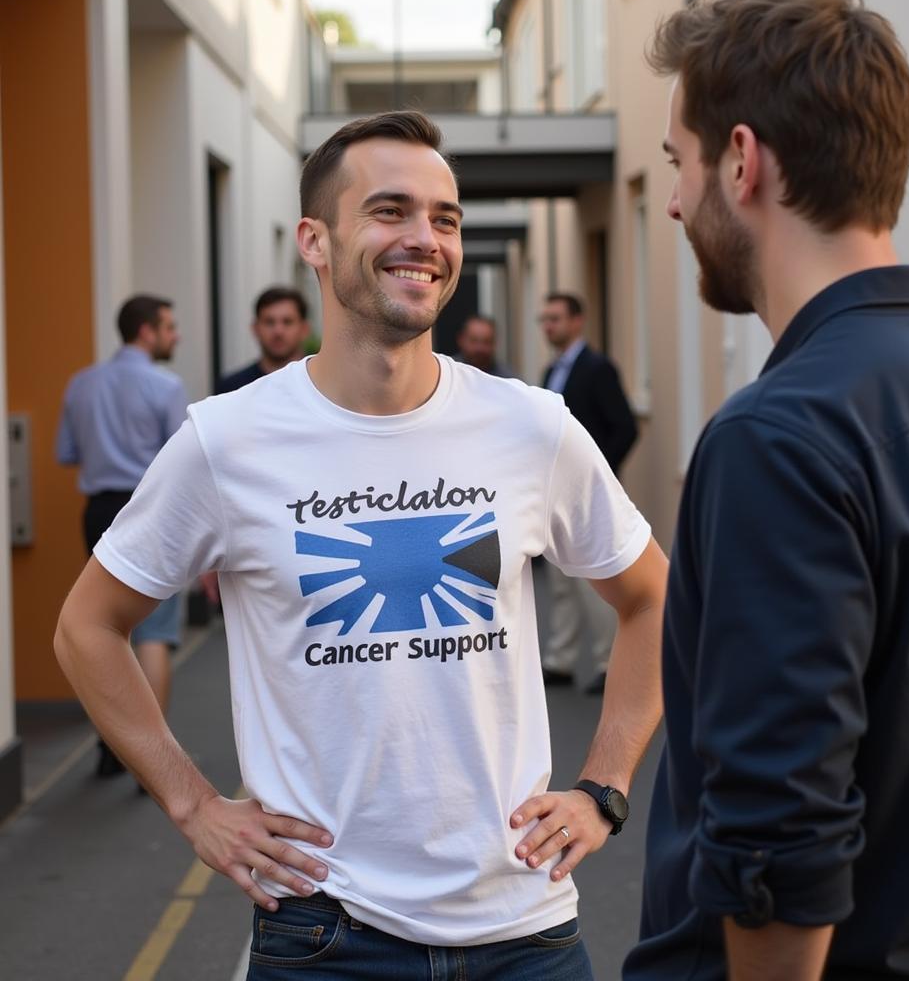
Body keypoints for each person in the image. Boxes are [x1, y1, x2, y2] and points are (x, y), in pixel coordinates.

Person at [54, 110, 668, 979]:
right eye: (390, 211)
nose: (425, 239)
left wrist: (604, 790)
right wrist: (194, 807)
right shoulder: (225, 443)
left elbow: (653, 597)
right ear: (315, 239)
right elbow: (86, 628)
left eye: (445, 218)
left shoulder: (531, 426)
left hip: (525, 929)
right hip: (324, 936)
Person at [625, 0, 909, 981]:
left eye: (679, 163)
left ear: (744, 161)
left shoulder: (778, 436)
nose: (672, 200)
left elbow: (780, 839)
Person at [56, 294, 187, 777]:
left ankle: (111, 747)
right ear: (147, 331)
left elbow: (66, 452)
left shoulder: (81, 384)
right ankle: (150, 761)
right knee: (154, 629)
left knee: (103, 623)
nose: (176, 336)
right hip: (149, 508)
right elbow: (181, 460)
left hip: (98, 509)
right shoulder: (165, 385)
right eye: (170, 327)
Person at [540, 292, 638, 695]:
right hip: (553, 492)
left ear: (578, 321)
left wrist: (600, 476)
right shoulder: (551, 372)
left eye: (556, 319)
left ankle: (607, 662)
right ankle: (560, 659)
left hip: (588, 495)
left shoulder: (598, 369)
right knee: (561, 581)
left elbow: (625, 427)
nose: (549, 326)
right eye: (544, 320)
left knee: (593, 581)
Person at [215, 285, 311, 394]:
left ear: (304, 329)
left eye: (287, 322)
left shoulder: (321, 386)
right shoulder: (232, 389)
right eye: (269, 322)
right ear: (255, 328)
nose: (278, 331)